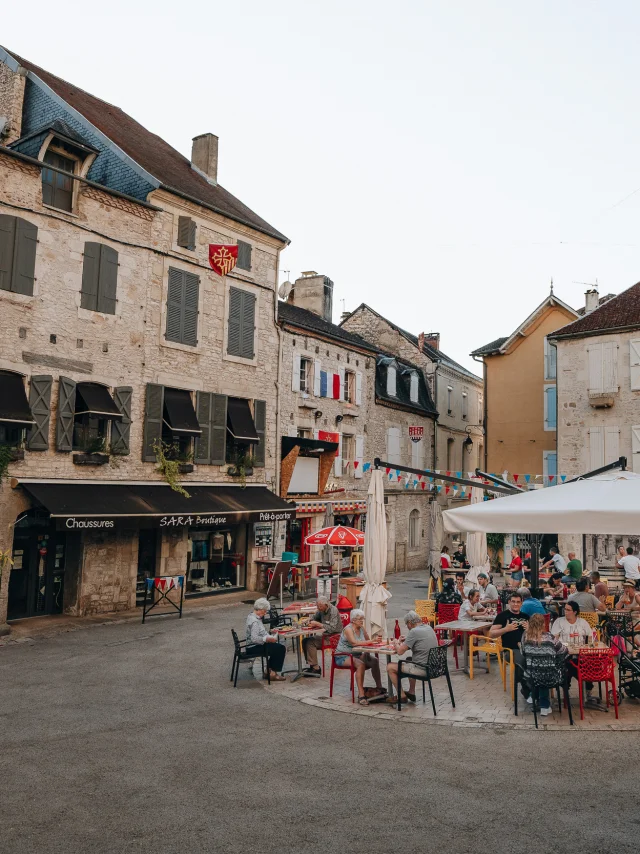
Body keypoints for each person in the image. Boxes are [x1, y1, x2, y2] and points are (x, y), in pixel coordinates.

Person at [386, 610, 438, 706]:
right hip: (436, 668)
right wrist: (407, 640)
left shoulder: (414, 631)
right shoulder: (428, 627)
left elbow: (400, 651)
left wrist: (396, 642)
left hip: (424, 669)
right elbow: (418, 640)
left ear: (410, 623)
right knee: (410, 659)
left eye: (407, 624)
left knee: (390, 667)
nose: (407, 627)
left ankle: (401, 696)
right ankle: (411, 692)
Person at [334, 608, 385, 705]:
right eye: (360, 619)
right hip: (342, 656)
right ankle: (361, 695)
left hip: (357, 654)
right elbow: (354, 643)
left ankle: (380, 688)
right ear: (353, 620)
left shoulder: (361, 628)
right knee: (360, 664)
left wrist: (374, 643)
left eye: (363, 618)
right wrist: (371, 641)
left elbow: (368, 640)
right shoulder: (348, 629)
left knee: (374, 661)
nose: (362, 621)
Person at [520, 614, 568, 716]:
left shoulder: (525, 636)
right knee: (545, 672)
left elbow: (523, 653)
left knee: (538, 673)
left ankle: (533, 696)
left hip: (531, 675)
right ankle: (544, 707)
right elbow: (564, 651)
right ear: (543, 624)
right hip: (550, 675)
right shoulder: (550, 637)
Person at [550, 601, 596, 701]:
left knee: (584, 663)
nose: (565, 611)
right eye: (564, 609)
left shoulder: (582, 622)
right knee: (568, 664)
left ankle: (585, 687)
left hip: (581, 653)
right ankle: (577, 687)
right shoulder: (559, 621)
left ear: (575, 612)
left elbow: (590, 637)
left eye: (568, 610)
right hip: (565, 653)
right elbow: (554, 639)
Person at [245, 598, 287, 681]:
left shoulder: (252, 616)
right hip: (253, 647)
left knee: (277, 647)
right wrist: (266, 639)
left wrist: (270, 634)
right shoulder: (255, 622)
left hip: (252, 645)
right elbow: (254, 638)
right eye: (264, 611)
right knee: (280, 648)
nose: (265, 613)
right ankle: (272, 673)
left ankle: (268, 671)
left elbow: (260, 632)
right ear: (260, 609)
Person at [302, 594, 343, 674]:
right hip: (326, 636)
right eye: (317, 606)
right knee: (305, 640)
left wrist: (318, 624)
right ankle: (312, 665)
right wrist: (308, 620)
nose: (318, 608)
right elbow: (314, 617)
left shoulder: (333, 610)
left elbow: (332, 628)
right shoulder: (321, 610)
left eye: (320, 606)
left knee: (310, 642)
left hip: (334, 637)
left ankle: (316, 668)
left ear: (326, 605)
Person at [489, 592, 529, 659]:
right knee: (522, 659)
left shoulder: (526, 616)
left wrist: (529, 629)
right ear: (509, 602)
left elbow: (537, 634)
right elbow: (491, 634)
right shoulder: (502, 615)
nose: (515, 604)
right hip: (510, 650)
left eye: (518, 602)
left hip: (526, 647)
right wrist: (506, 629)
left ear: (521, 603)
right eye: (513, 602)